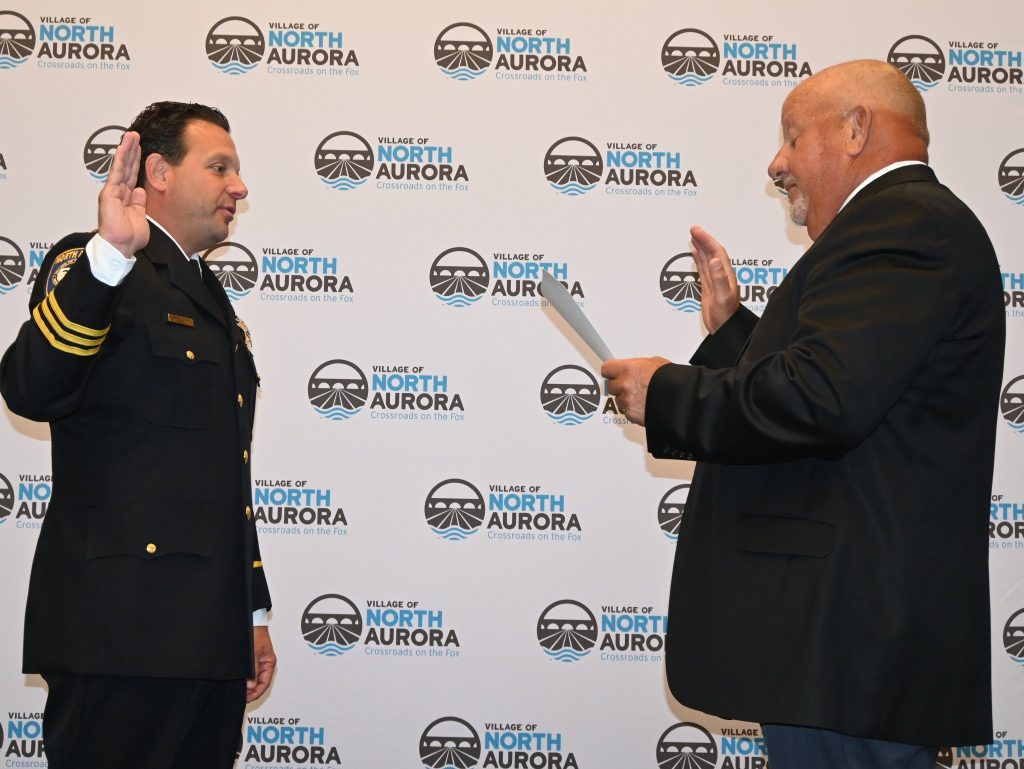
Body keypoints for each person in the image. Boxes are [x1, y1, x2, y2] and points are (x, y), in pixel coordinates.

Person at [602, 60, 1003, 768]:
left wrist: (667, 391)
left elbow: (823, 398)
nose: (776, 162)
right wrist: (733, 332)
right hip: (842, 650)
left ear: (856, 129)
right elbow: (857, 384)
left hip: (849, 648)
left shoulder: (904, 224)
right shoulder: (899, 229)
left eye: (791, 137)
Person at [0, 102, 275, 769]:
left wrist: (252, 612)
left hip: (205, 638)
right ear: (157, 170)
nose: (238, 186)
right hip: (121, 633)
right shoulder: (95, 266)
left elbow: (221, 472)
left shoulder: (208, 295)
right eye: (218, 167)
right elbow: (30, 387)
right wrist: (105, 259)